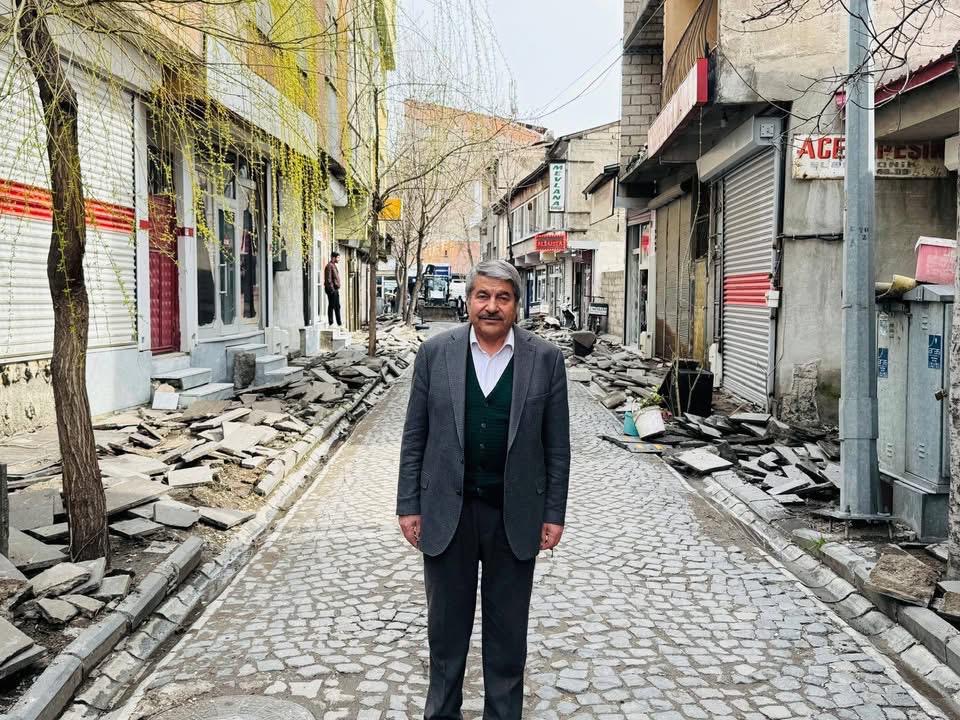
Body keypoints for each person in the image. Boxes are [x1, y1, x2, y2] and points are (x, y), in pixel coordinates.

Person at [397, 259, 570, 719]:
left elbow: (557, 446)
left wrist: (553, 514)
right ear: (469, 300)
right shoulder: (435, 353)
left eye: (503, 297)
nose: (492, 306)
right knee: (445, 636)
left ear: (516, 305)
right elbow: (415, 435)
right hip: (447, 515)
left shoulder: (545, 359)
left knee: (508, 639)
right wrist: (409, 504)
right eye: (483, 296)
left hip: (514, 516)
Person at [324, 251, 342, 327]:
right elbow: (328, 279)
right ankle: (331, 323)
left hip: (335, 289)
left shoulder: (333, 265)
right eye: (338, 257)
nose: (339, 259)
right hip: (332, 290)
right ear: (333, 258)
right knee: (331, 306)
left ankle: (339, 324)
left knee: (337, 306)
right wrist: (332, 290)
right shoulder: (329, 266)